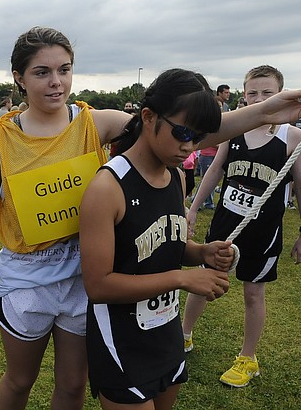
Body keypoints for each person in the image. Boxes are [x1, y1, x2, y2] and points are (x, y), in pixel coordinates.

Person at [0, 26, 301, 410]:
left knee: (71, 385)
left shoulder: (93, 122)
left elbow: (188, 132)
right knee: (19, 380)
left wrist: (267, 111)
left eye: (64, 70)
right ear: (18, 77)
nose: (56, 82)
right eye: (42, 72)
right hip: (27, 279)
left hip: (82, 273)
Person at [80, 68, 233, 410]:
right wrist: (182, 278)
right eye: (182, 133)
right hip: (121, 341)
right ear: (148, 117)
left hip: (166, 333)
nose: (190, 147)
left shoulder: (176, 177)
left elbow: (168, 246)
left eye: (199, 137)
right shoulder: (107, 187)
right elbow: (98, 285)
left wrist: (202, 253)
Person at [182, 65, 301, 388]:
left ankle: (247, 358)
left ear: (280, 95)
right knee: (203, 280)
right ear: (244, 97)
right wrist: (194, 209)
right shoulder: (235, 131)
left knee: (253, 294)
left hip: (262, 233)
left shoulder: (292, 136)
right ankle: (182, 335)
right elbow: (215, 171)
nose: (260, 98)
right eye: (253, 93)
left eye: (268, 93)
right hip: (224, 228)